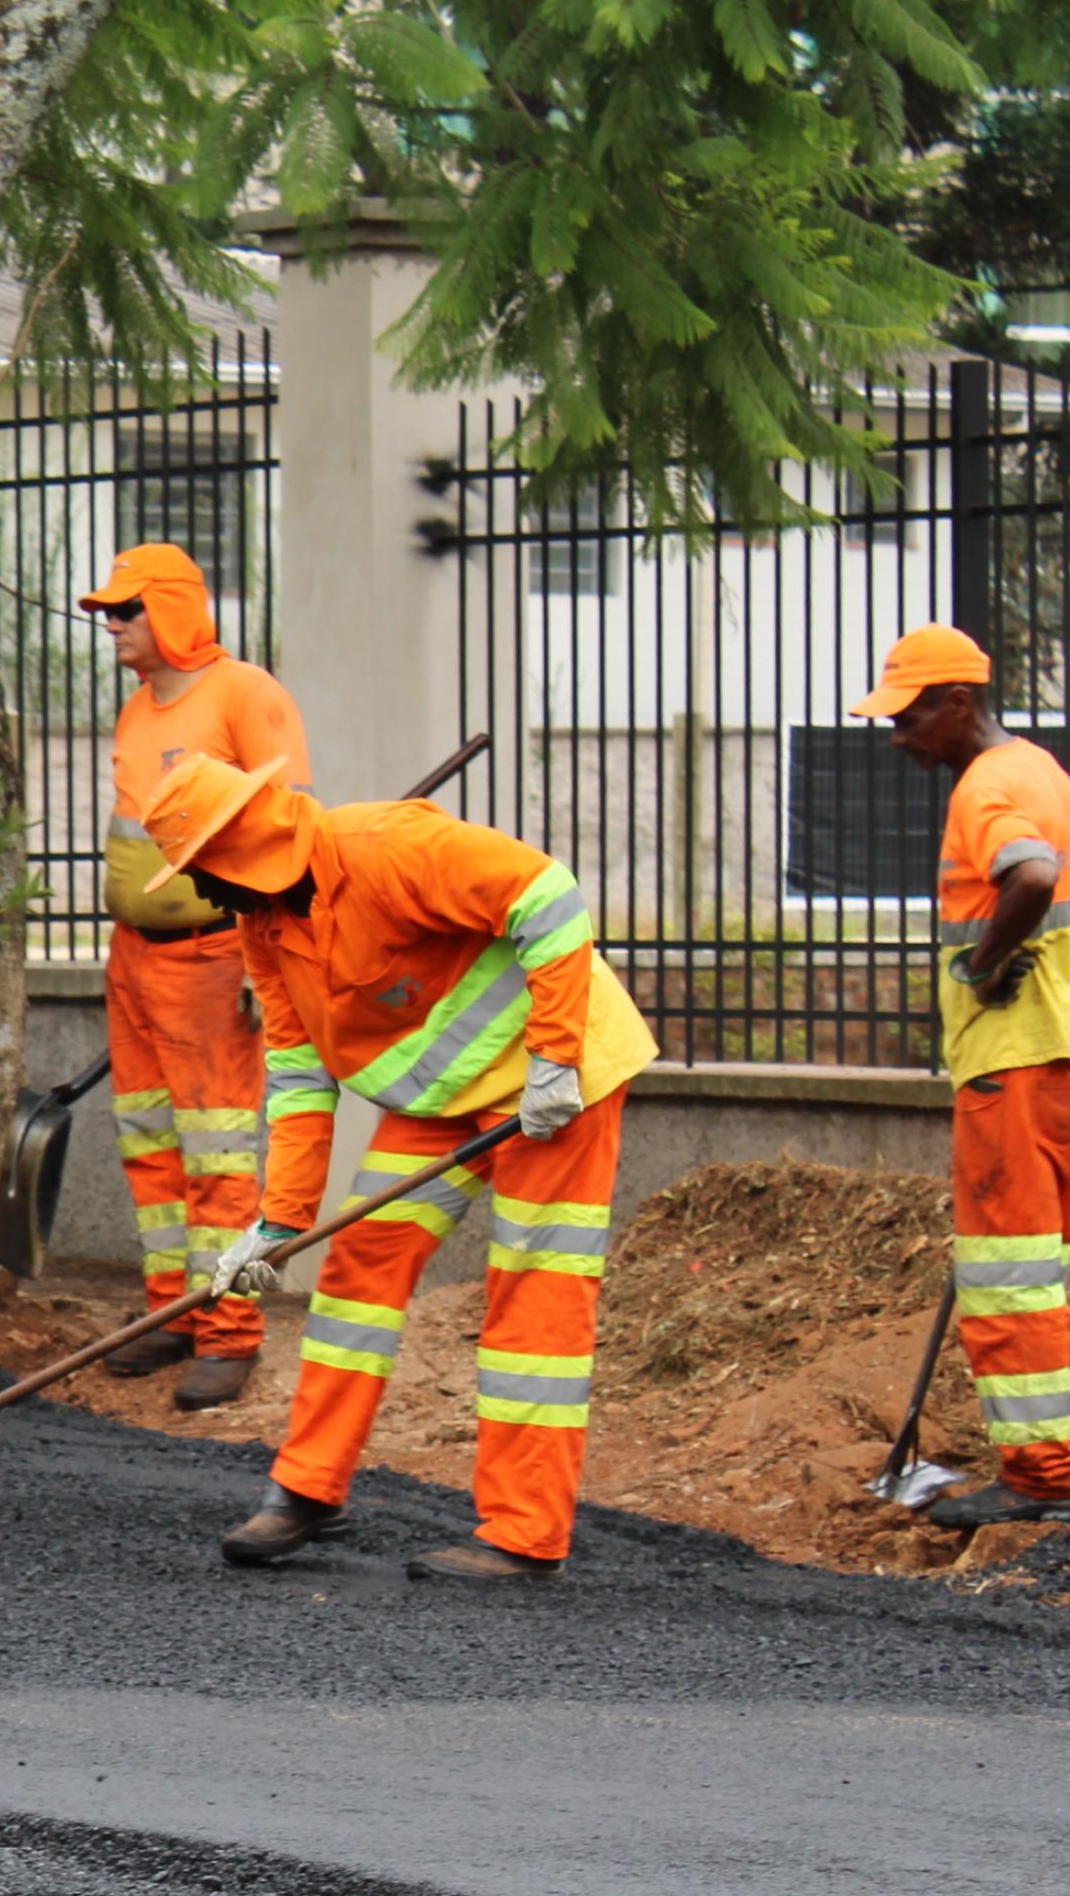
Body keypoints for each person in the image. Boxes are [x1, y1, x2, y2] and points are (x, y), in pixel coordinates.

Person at [136, 752, 660, 1583]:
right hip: (438, 1101)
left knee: (534, 1292)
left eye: (202, 870)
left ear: (239, 850)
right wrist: (278, 1223)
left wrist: (557, 1057)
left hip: (555, 1087)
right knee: (357, 1269)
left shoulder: (388, 848)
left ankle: (525, 1535)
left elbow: (547, 895)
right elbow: (300, 1076)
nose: (203, 893)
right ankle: (307, 1489)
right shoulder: (265, 930)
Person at [852, 625, 1070, 1530]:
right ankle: (1056, 1469)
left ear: (958, 704)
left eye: (907, 719)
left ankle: (1051, 1478)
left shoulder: (984, 788)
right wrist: (1067, 985)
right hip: (1065, 1061)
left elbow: (1034, 876)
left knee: (1007, 1278)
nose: (898, 738)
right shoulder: (1044, 772)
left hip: (1009, 1068)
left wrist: (983, 969)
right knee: (1032, 1273)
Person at [79, 543, 302, 1409]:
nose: (111, 625)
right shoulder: (138, 710)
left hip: (214, 956)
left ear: (171, 609)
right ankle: (172, 1309)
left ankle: (230, 1330)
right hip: (133, 959)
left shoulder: (247, 696)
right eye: (105, 612)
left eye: (125, 610)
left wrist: (266, 957)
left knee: (218, 1153)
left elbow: (288, 827)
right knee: (151, 1144)